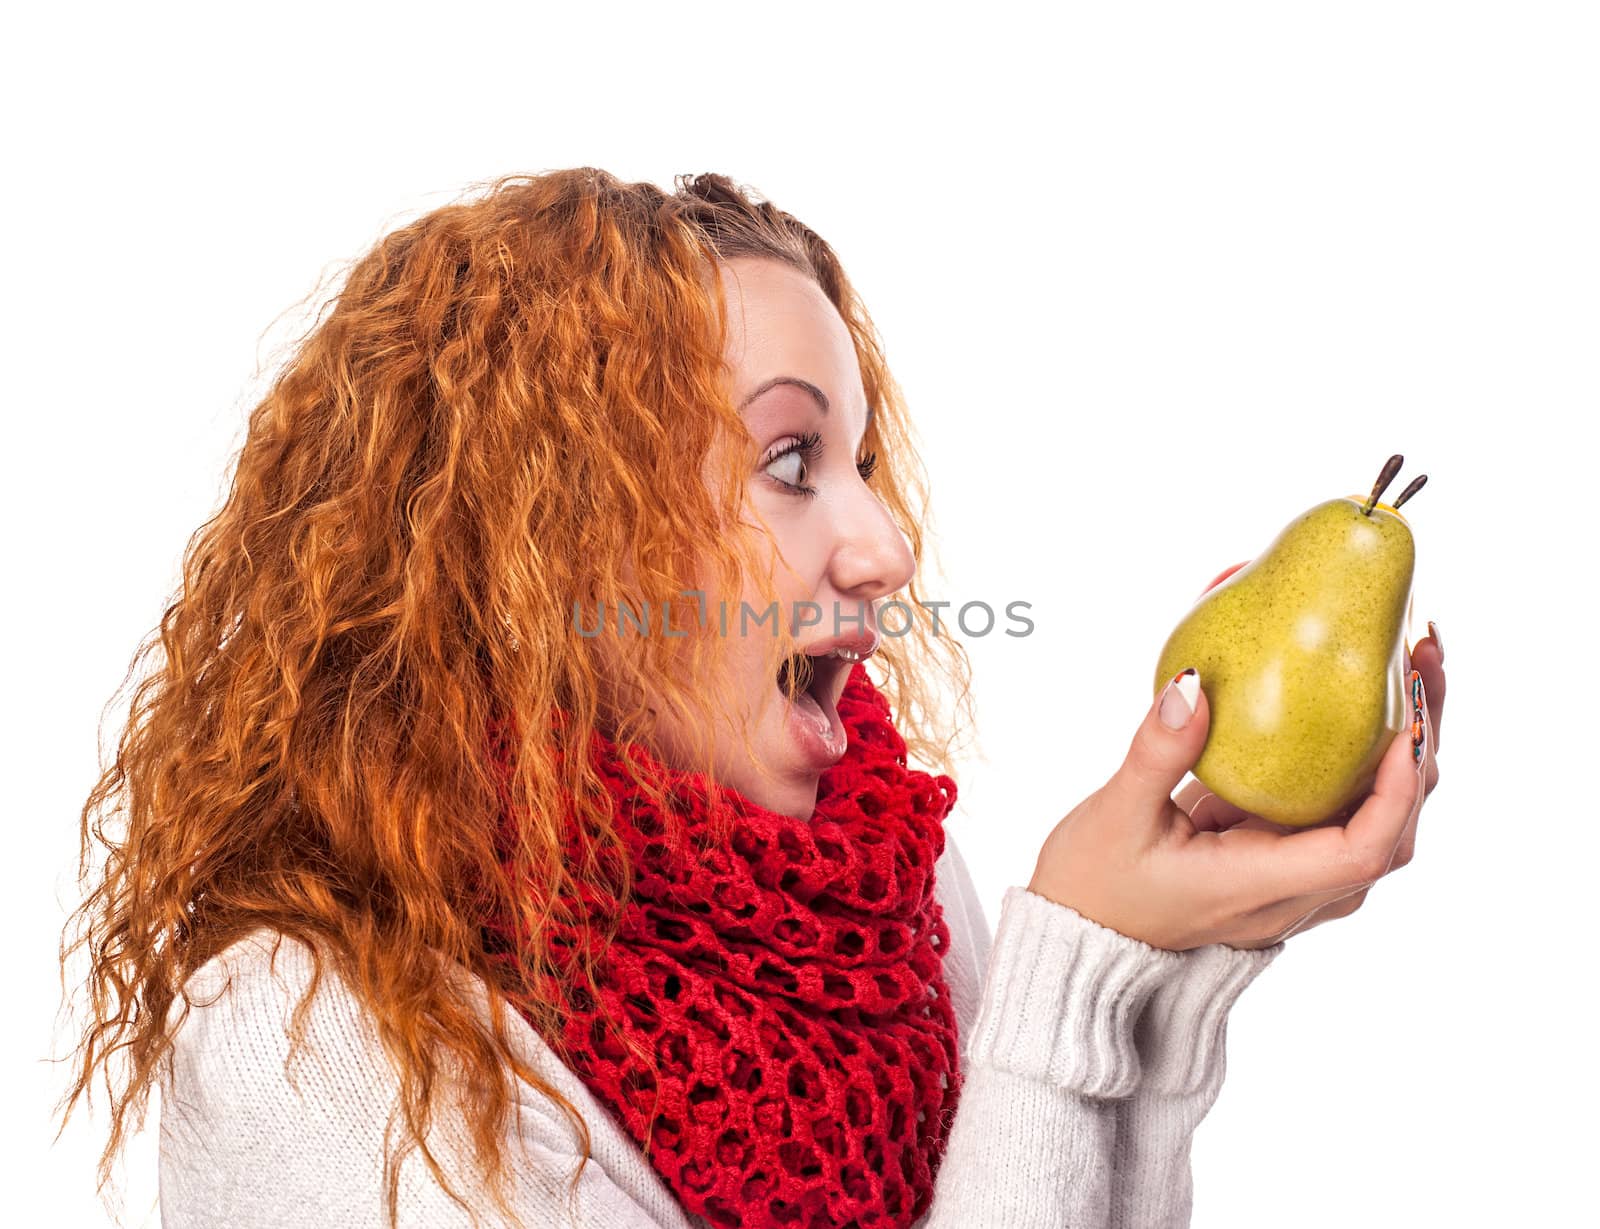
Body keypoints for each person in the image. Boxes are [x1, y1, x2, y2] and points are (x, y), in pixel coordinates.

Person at [56, 168, 1446, 1229]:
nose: (885, 546)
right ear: (549, 545)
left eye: (857, 461)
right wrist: (1072, 965)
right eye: (791, 461)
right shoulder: (311, 1039)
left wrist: (1151, 972)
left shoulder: (895, 894)